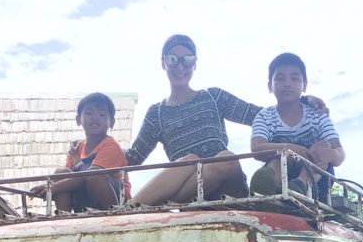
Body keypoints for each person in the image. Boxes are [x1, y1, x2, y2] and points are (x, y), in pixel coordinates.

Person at [125, 35, 329, 206]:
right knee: (188, 160)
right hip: (188, 192)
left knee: (227, 157)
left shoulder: (213, 97)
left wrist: (301, 100)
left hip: (228, 188)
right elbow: (133, 158)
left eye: (187, 59)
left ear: (195, 64)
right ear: (163, 63)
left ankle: (147, 205)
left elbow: (262, 115)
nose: (180, 66)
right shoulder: (156, 114)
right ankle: (131, 209)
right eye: (172, 59)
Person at [248, 53, 345, 199]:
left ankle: (300, 184)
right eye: (280, 78)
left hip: (316, 182)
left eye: (294, 78)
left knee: (323, 144)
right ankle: (268, 191)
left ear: (304, 85)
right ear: (270, 86)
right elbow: (256, 148)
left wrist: (331, 154)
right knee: (278, 159)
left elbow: (339, 152)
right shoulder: (264, 116)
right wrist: (291, 149)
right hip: (282, 177)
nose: (287, 83)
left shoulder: (317, 114)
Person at [29, 92, 131, 212]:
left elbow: (88, 177)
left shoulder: (111, 146)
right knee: (60, 172)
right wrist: (53, 185)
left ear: (112, 123)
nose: (95, 117)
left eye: (102, 114)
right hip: (85, 202)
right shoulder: (77, 149)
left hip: (115, 201)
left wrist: (51, 187)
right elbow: (66, 179)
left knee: (94, 174)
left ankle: (116, 214)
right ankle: (63, 216)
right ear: (78, 119)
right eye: (89, 113)